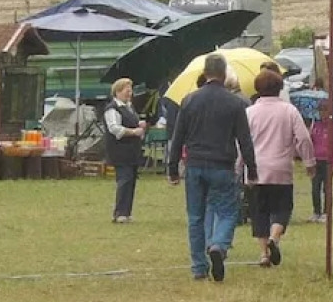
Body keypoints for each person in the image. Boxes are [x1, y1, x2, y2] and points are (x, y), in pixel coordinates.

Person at [168, 53, 259, 282]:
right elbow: (245, 141)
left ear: (205, 73)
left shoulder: (189, 100)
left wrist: (172, 169)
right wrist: (252, 171)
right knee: (228, 211)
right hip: (222, 165)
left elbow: (177, 137)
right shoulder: (235, 102)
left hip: (195, 165)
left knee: (196, 216)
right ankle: (219, 244)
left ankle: (199, 267)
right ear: (224, 73)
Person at [244, 69, 314, 268]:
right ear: (279, 88)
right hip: (281, 168)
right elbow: (303, 139)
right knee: (282, 209)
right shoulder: (289, 111)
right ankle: (275, 238)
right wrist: (309, 162)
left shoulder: (249, 113)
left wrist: (238, 166)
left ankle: (264, 254)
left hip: (255, 170)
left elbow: (242, 143)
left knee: (259, 213)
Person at [102, 77, 146, 223]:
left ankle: (127, 212)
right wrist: (134, 132)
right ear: (118, 91)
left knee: (131, 180)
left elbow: (131, 122)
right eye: (127, 90)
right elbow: (114, 128)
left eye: (130, 90)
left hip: (132, 151)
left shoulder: (129, 107)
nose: (130, 93)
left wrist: (139, 123)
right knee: (124, 180)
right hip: (119, 151)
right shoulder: (112, 109)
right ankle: (119, 213)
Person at [308, 112, 333, 223]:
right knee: (315, 188)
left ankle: (326, 213)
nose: (323, 114)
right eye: (321, 111)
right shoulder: (315, 126)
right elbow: (310, 142)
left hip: (328, 162)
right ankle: (316, 212)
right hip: (316, 161)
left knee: (327, 188)